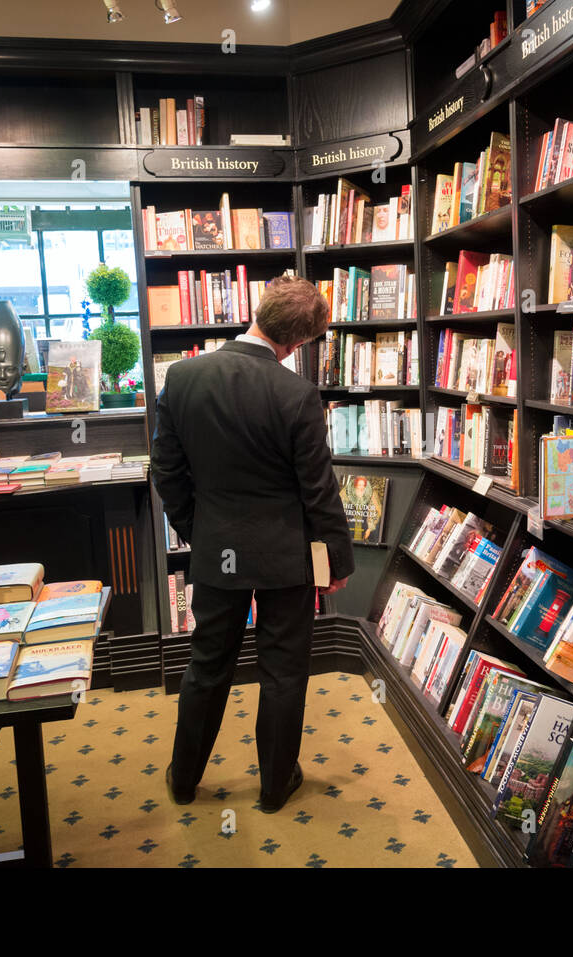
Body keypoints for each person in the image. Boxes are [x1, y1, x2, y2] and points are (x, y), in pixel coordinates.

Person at [150, 275, 354, 814]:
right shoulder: (297, 394)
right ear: (299, 342)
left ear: (258, 310)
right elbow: (319, 490)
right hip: (286, 557)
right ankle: (274, 786)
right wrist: (335, 559)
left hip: (217, 551)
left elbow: (167, 472)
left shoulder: (183, 377)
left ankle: (184, 781)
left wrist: (198, 531)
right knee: (284, 672)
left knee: (207, 665)